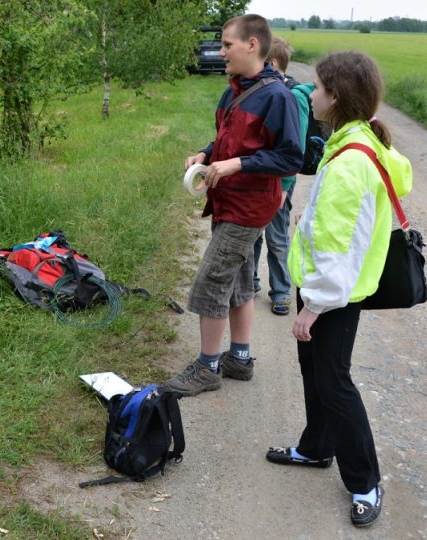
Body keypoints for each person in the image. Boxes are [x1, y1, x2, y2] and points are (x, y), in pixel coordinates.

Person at [265, 51, 413, 527]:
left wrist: (314, 306)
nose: (313, 93)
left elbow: (337, 246)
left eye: (320, 87)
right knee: (316, 372)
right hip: (335, 290)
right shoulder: (356, 140)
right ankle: (316, 448)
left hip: (336, 294)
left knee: (334, 382)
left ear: (338, 96)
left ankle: (365, 481)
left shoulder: (351, 160)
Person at [161, 15, 303, 396]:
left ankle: (207, 369)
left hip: (249, 207)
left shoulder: (278, 97)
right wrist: (204, 155)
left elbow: (291, 157)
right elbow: (226, 141)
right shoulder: (234, 90)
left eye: (226, 45)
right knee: (239, 281)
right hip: (226, 202)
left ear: (252, 45)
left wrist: (237, 164)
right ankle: (239, 359)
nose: (219, 51)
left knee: (211, 283)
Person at [252, 37, 314, 316]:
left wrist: (286, 188)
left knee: (277, 239)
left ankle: (280, 291)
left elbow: (295, 147)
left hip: (278, 185)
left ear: (272, 64)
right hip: (256, 179)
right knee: (252, 236)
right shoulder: (263, 91)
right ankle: (250, 281)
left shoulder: (293, 97)